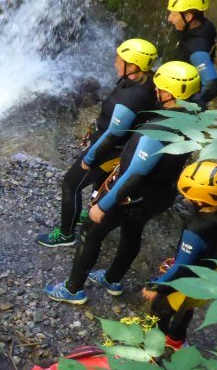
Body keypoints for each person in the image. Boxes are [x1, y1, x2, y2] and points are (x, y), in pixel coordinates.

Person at [45, 61, 201, 304]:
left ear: (169, 93)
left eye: (160, 88)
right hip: (161, 194)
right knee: (132, 232)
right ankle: (111, 279)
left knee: (90, 231)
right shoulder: (192, 118)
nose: (156, 92)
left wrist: (104, 205)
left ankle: (73, 289)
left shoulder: (156, 131)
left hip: (133, 196)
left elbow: (134, 175)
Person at [37, 38, 159, 247]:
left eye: (119, 60)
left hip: (111, 151)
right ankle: (93, 204)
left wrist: (89, 157)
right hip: (118, 146)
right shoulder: (145, 81)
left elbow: (113, 134)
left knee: (71, 184)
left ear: (133, 66)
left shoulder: (133, 97)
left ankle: (66, 234)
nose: (114, 63)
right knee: (98, 181)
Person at [142, 161, 217, 350]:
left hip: (189, 278)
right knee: (187, 307)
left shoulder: (195, 229)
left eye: (189, 197)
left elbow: (182, 267)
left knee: (161, 310)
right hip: (211, 271)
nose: (186, 199)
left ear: (201, 201)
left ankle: (151, 349)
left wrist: (157, 286)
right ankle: (176, 338)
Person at [167, 0, 217, 106]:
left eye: (173, 15)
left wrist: (187, 105)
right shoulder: (203, 24)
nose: (169, 19)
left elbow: (212, 87)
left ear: (188, 17)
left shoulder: (197, 49)